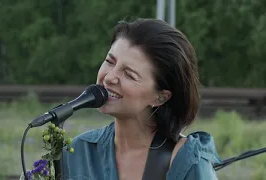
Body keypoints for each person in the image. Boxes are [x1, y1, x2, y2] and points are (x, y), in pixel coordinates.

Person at [62, 18, 221, 180]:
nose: (109, 77)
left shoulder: (188, 160)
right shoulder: (78, 151)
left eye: (129, 74)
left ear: (160, 97)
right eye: (110, 62)